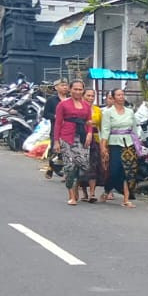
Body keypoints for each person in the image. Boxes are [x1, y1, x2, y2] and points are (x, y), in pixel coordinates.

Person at [52, 78, 95, 206]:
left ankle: (77, 187)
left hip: (82, 138)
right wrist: (56, 141)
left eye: (80, 89)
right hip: (67, 137)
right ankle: (71, 195)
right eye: (75, 89)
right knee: (70, 167)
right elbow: (58, 123)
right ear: (70, 90)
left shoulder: (86, 105)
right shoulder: (63, 104)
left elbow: (89, 122)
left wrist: (89, 133)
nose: (77, 91)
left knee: (83, 166)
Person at [99, 88, 140, 207]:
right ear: (113, 97)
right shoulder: (108, 112)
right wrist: (103, 147)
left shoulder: (130, 112)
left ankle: (126, 199)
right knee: (114, 170)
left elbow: (134, 129)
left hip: (129, 143)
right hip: (114, 143)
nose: (121, 97)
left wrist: (138, 144)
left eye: (122, 95)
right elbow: (105, 130)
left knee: (129, 171)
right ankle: (107, 189)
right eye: (118, 95)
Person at [42, 80, 71, 179]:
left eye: (66, 85)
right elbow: (45, 114)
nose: (65, 87)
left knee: (66, 150)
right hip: (56, 128)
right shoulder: (51, 100)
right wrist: (55, 116)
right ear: (56, 87)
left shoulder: (70, 100)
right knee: (55, 149)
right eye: (62, 85)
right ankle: (52, 166)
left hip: (68, 129)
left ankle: (63, 170)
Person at [84, 88, 103, 202]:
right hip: (81, 138)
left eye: (92, 96)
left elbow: (101, 128)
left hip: (94, 140)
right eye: (88, 95)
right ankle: (83, 192)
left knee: (94, 166)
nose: (90, 98)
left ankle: (92, 193)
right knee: (81, 165)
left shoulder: (97, 110)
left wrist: (102, 143)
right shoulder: (79, 108)